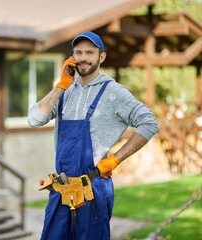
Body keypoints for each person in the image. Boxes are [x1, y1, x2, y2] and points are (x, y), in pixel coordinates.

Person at [28, 31, 159, 240]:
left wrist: (115, 160)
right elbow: (34, 120)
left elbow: (149, 122)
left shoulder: (114, 92)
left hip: (93, 190)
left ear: (102, 57)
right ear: (72, 57)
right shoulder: (65, 91)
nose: (83, 58)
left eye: (90, 52)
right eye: (78, 52)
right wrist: (60, 86)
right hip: (62, 190)